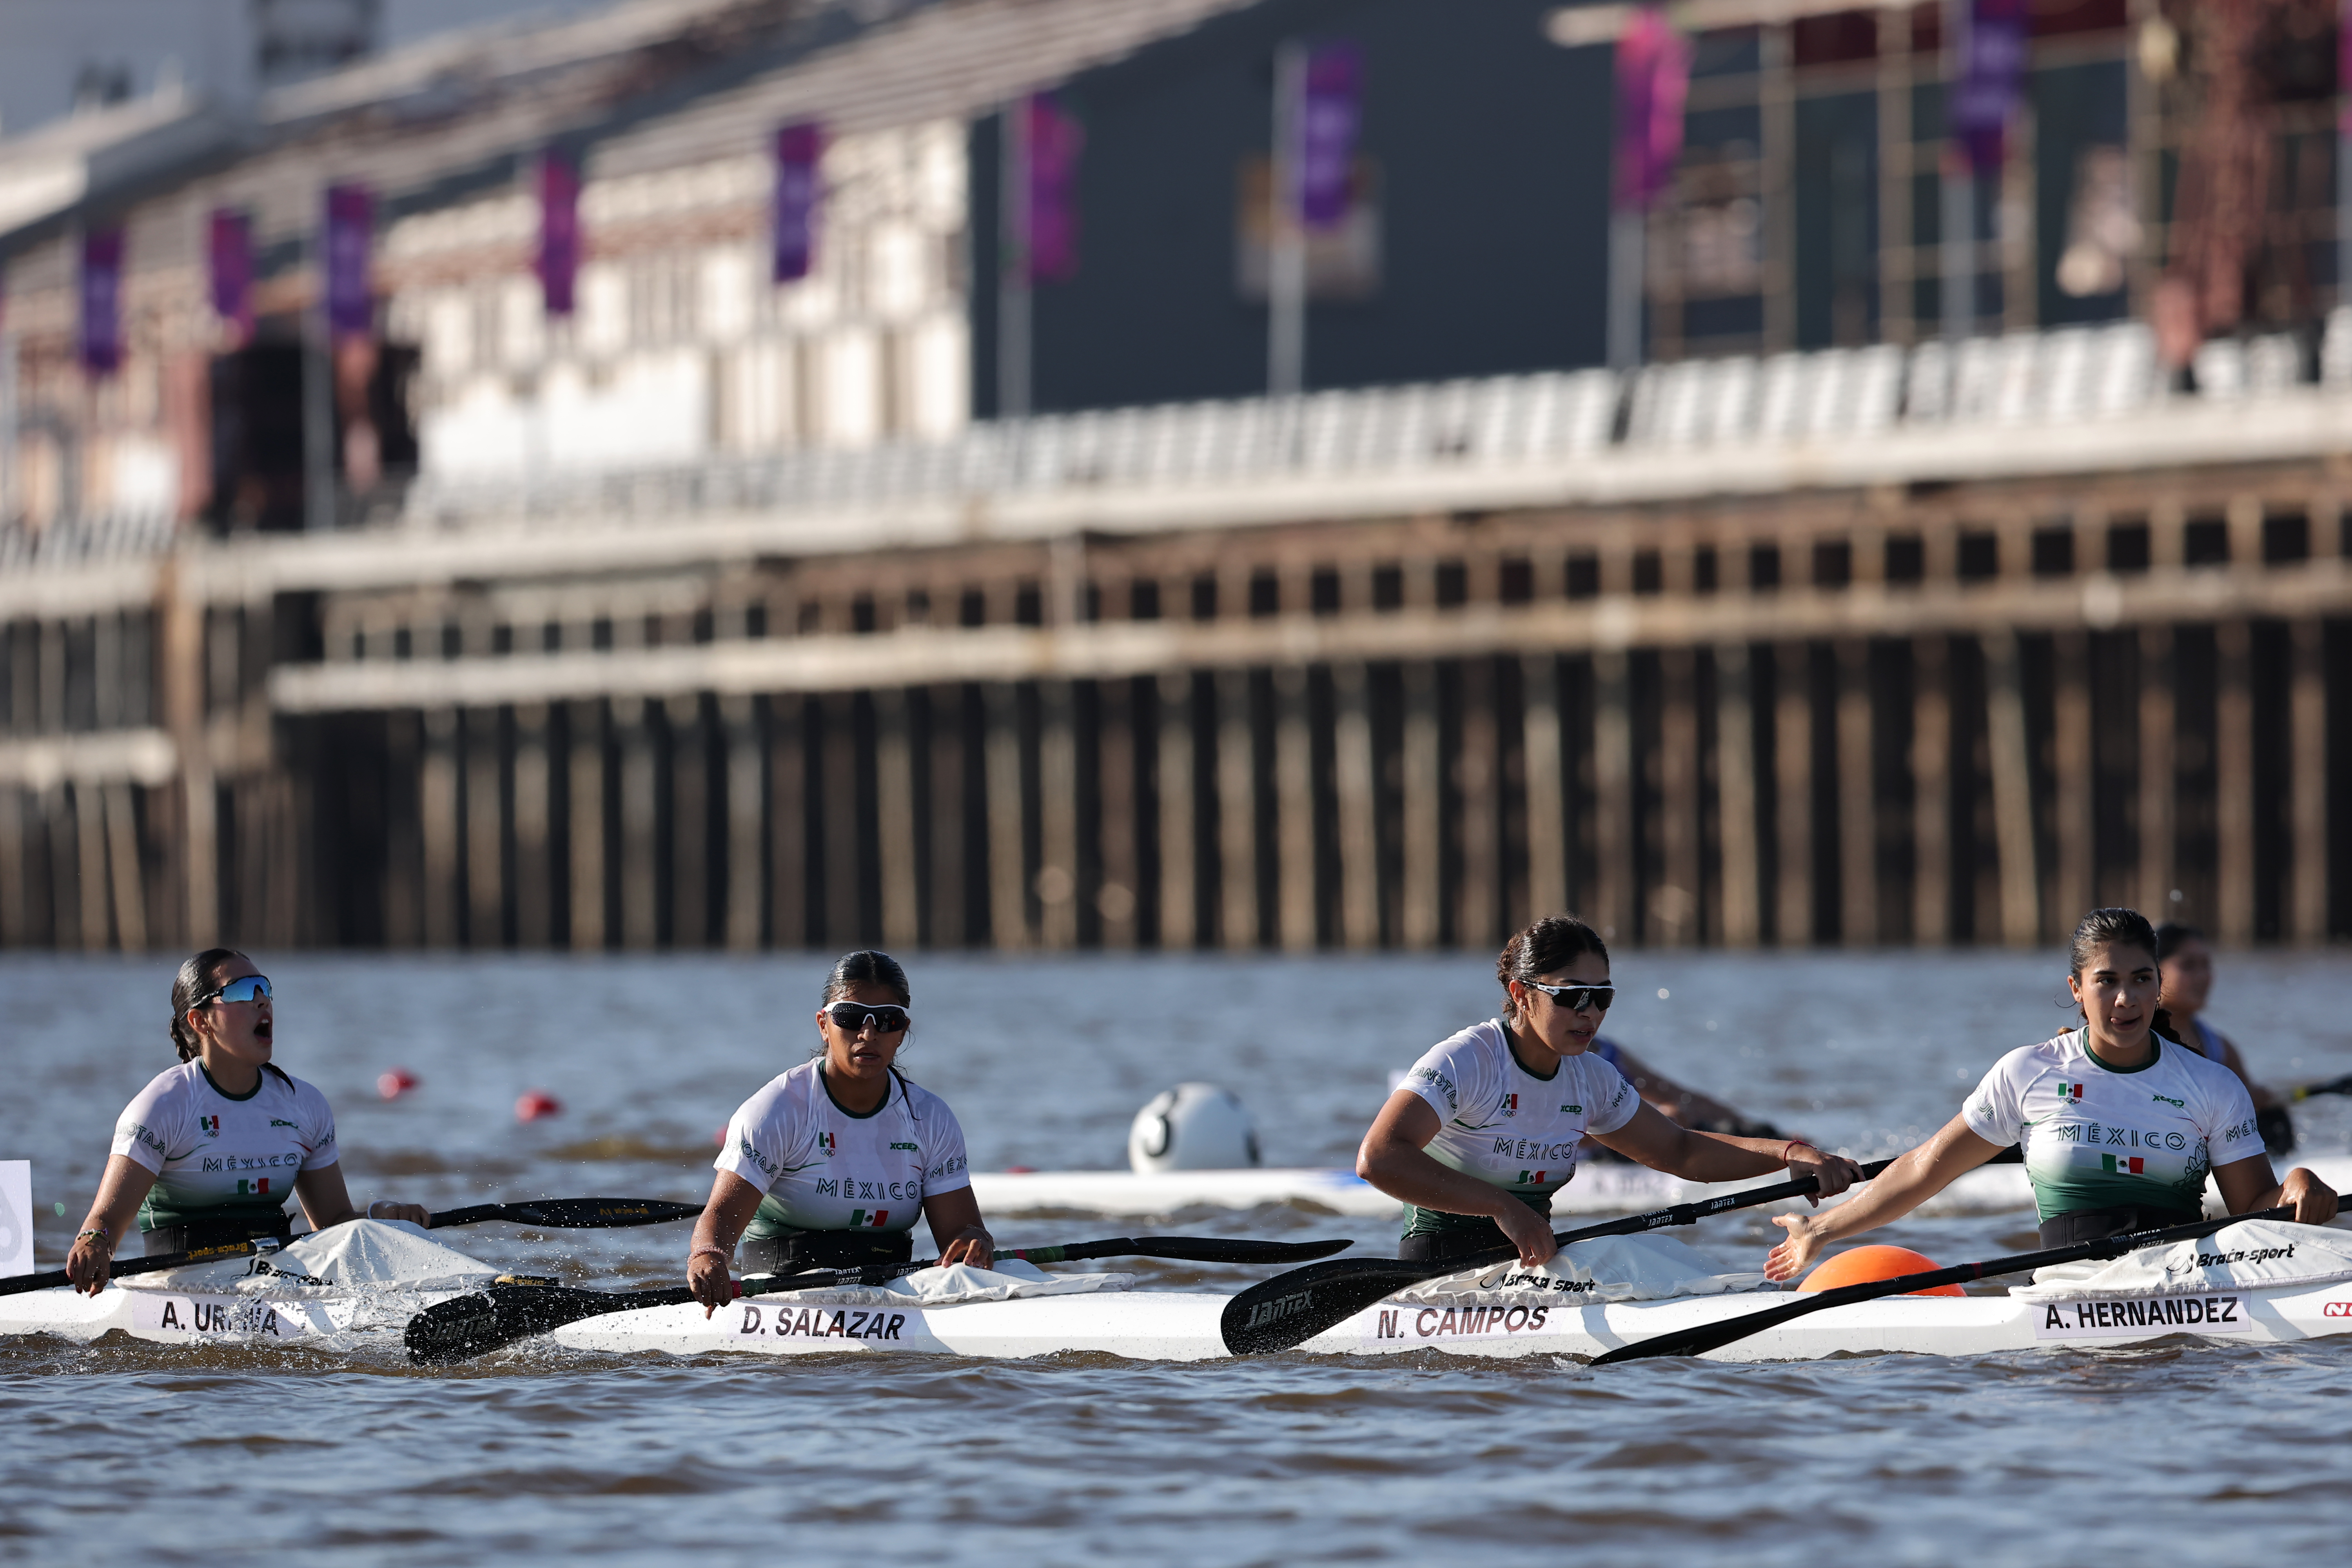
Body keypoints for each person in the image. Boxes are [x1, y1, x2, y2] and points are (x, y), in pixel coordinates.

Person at [1766, 907, 2337, 1283]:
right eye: (2106, 981)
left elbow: (2253, 1210)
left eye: (2141, 979)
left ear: (2159, 986)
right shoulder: (2028, 1073)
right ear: (2076, 990)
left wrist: (2298, 1186)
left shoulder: (2211, 1084)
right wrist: (1822, 1229)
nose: (2125, 1000)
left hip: (2183, 1282)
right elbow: (1925, 1168)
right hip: (2070, 1292)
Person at [1357, 914, 1863, 1269]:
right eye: (1573, 995)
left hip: (1532, 1264)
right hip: (1440, 1267)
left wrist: (1790, 1153)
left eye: (1603, 997)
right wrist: (1503, 1206)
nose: (1591, 1013)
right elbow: (1379, 1158)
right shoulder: (1469, 1058)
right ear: (1521, 994)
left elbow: (1681, 1149)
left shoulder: (1591, 1076)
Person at [65, 949, 432, 1296]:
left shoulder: (303, 1104)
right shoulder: (163, 1106)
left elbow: (333, 1223)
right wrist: (94, 1244)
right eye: (242, 991)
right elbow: (105, 1221)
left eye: (265, 988)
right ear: (201, 1021)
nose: (262, 1000)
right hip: (180, 1284)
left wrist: (380, 1216)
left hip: (273, 1276)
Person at [687, 951, 992, 1314]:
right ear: (823, 1025)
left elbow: (960, 1234)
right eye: (850, 1017)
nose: (868, 1033)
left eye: (887, 1021)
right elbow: (720, 1216)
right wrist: (708, 1257)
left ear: (902, 1032)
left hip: (887, 1288)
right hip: (786, 1288)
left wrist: (975, 1241)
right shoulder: (778, 1110)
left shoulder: (931, 1118)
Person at [2155, 920, 2293, 1154]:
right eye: (2188, 966)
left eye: (2206, 965)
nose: (2202, 977)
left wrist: (2258, 1098)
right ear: (2151, 972)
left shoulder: (2221, 1048)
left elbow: (2245, 1103)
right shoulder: (2135, 1037)